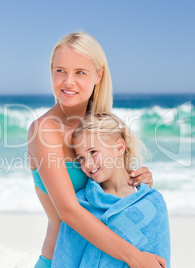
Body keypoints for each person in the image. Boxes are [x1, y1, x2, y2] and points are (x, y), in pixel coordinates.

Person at [28, 32, 166, 267]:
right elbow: (69, 212)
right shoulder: (44, 130)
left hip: (108, 259)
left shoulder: (102, 126)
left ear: (98, 75)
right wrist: (135, 258)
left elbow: (113, 193)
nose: (68, 81)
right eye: (60, 70)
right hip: (62, 261)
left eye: (80, 72)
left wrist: (138, 179)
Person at [51, 112, 170, 267]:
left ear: (119, 147)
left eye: (93, 152)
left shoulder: (153, 202)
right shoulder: (81, 205)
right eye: (81, 158)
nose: (87, 164)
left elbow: (160, 257)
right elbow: (65, 259)